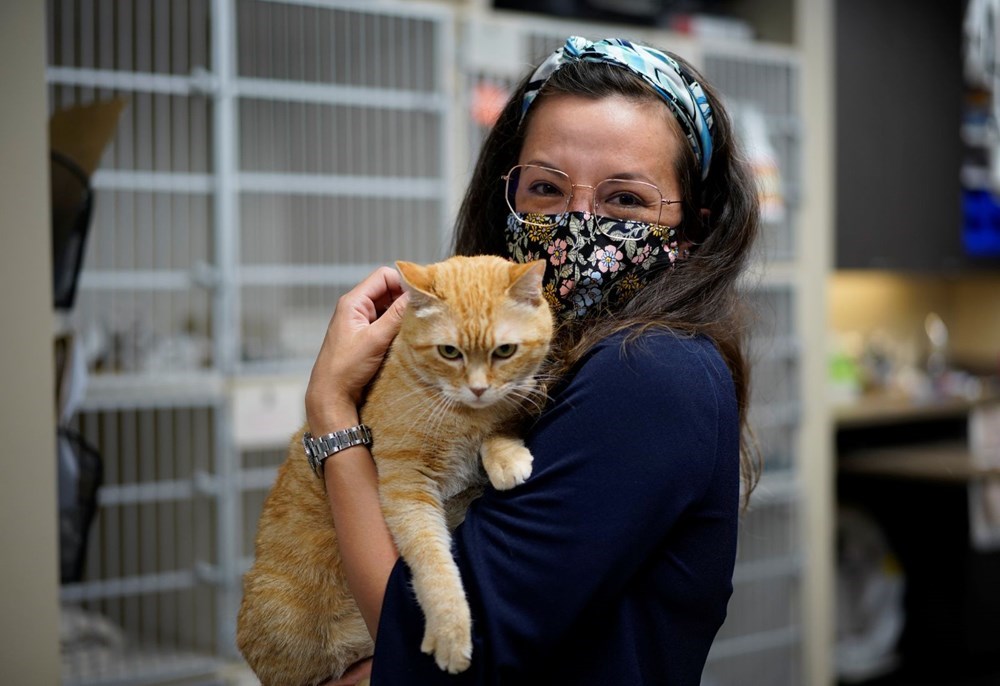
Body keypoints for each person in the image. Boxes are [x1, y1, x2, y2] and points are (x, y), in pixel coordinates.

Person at [305, 36, 760, 685]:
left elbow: (448, 663)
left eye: (624, 200)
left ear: (691, 231)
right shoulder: (553, 367)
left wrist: (330, 411)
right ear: (508, 195)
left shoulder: (647, 373)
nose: (577, 222)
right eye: (546, 188)